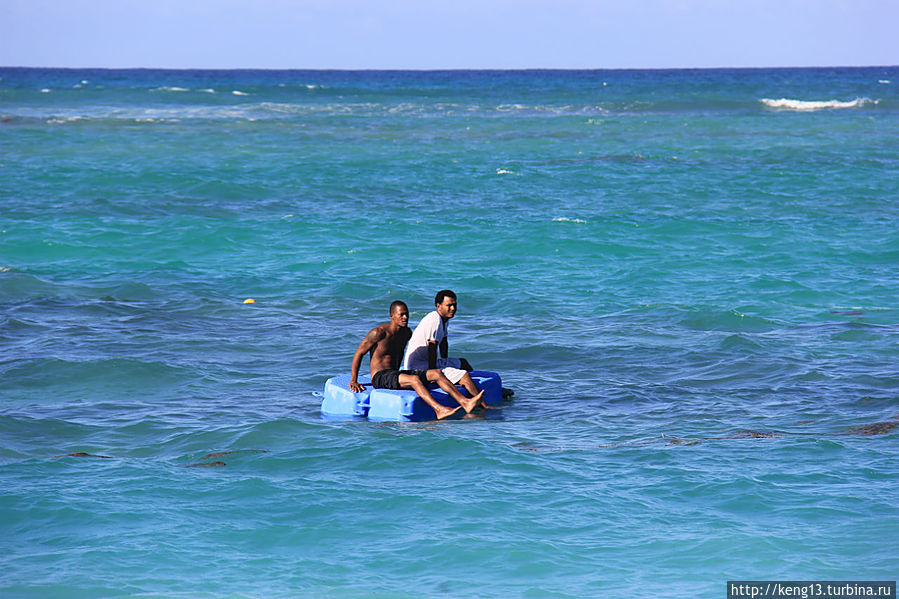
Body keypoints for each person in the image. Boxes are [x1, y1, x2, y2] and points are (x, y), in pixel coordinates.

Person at [348, 300, 484, 420]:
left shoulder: (406, 333)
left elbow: (399, 353)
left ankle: (465, 402)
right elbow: (359, 354)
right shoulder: (378, 333)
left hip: (394, 374)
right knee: (414, 380)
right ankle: (439, 410)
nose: (405, 317)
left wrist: (401, 374)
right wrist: (354, 380)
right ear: (392, 316)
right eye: (401, 314)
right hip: (380, 377)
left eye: (407, 314)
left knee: (436, 373)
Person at [402, 290, 482, 399]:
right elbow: (432, 348)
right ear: (438, 306)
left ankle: (479, 388)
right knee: (464, 374)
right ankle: (483, 405)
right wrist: (433, 375)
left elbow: (444, 342)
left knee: (463, 363)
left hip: (428, 363)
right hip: (418, 367)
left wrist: (446, 362)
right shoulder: (434, 320)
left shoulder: (445, 319)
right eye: (449, 305)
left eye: (454, 305)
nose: (453, 309)